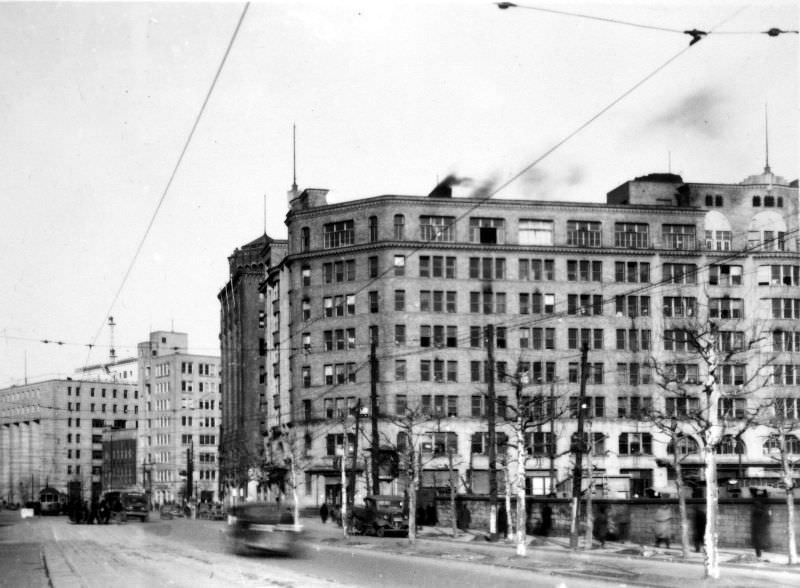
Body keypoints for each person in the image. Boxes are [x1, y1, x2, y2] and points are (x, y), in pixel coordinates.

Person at [751, 490, 772, 559]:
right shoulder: (766, 503)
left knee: (758, 538)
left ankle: (759, 553)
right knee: (762, 537)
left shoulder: (756, 503)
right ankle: (761, 551)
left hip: (758, 523)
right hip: (762, 523)